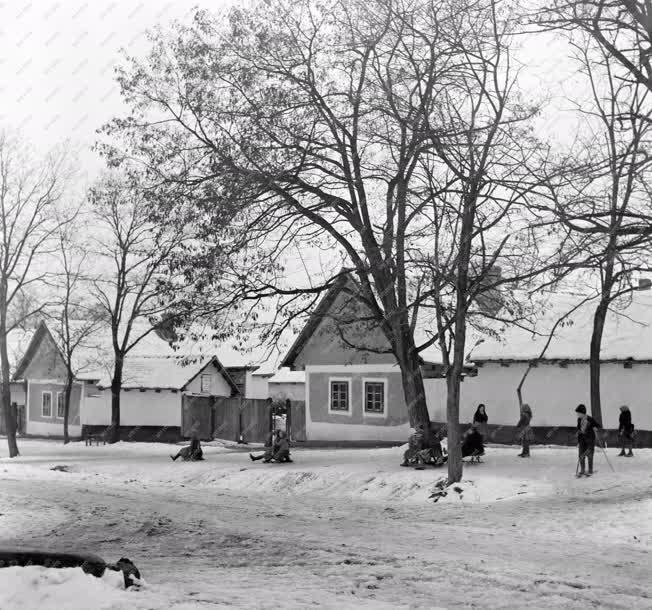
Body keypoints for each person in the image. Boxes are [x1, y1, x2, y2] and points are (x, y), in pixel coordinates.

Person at [575, 404, 603, 476]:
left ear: (582, 412)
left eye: (578, 413)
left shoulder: (590, 419)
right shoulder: (579, 420)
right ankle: (582, 470)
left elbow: (598, 425)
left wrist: (595, 427)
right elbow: (579, 428)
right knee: (581, 454)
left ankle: (590, 470)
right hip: (582, 440)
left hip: (590, 439)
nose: (577, 415)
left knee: (590, 454)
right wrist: (578, 435)